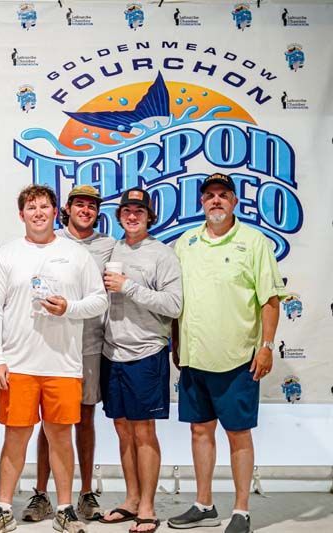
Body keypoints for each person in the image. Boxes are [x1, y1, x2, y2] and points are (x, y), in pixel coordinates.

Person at [0, 185, 107, 533]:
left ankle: (65, 508)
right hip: (17, 365)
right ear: (21, 214)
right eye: (31, 207)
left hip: (63, 365)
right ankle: (3, 508)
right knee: (15, 438)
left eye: (44, 206)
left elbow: (99, 301)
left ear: (56, 212)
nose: (38, 212)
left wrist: (70, 308)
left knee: (61, 437)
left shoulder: (76, 254)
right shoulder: (6, 255)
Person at [168, 173, 284, 533]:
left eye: (223, 195)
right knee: (200, 431)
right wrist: (176, 341)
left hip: (237, 358)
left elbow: (270, 299)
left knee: (238, 434)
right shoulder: (185, 243)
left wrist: (266, 347)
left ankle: (241, 510)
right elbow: (176, 299)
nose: (215, 200)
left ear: (235, 202)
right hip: (193, 356)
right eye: (209, 196)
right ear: (201, 203)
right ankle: (204, 504)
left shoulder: (253, 241)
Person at [27, 185, 114, 523]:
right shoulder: (51, 238)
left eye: (92, 206)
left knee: (85, 419)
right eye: (80, 204)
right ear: (67, 208)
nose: (86, 210)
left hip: (89, 345)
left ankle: (86, 493)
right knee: (50, 422)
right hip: (51, 343)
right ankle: (41, 494)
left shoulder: (108, 245)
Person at [98, 188, 182, 533]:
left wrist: (129, 286)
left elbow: (174, 306)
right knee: (122, 429)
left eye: (139, 211)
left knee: (144, 431)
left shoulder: (163, 255)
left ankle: (147, 505)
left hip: (146, 353)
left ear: (150, 216)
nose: (132, 216)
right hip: (111, 352)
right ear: (119, 216)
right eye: (127, 211)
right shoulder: (110, 250)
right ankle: (131, 499)